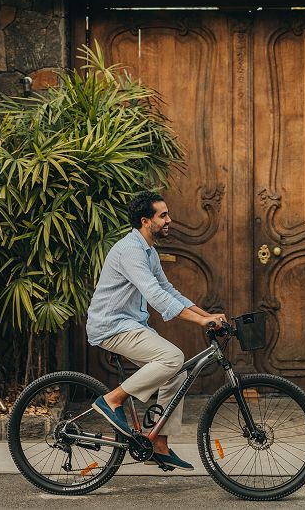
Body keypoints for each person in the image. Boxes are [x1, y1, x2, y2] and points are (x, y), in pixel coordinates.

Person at [86, 191, 227, 471]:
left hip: (131, 325)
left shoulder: (148, 250)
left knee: (177, 373)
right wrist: (198, 322)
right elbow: (155, 295)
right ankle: (111, 400)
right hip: (111, 326)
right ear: (145, 220)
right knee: (172, 357)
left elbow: (168, 289)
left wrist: (206, 315)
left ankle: (158, 443)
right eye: (163, 215)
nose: (169, 220)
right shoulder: (130, 251)